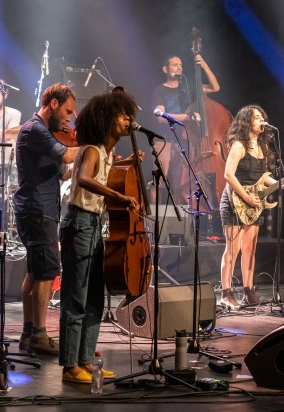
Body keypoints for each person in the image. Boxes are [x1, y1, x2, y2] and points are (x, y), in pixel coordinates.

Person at [59, 90, 140, 383]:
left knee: (94, 299)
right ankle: (70, 366)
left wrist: (128, 163)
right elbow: (83, 178)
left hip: (93, 225)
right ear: (107, 119)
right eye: (121, 115)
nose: (127, 120)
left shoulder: (107, 154)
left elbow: (105, 176)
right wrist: (119, 194)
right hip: (80, 223)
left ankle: (85, 361)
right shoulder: (91, 149)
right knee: (76, 297)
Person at [13, 83, 78, 356]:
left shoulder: (44, 133)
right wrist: (93, 145)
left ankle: (29, 334)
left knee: (35, 273)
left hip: (38, 209)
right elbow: (65, 154)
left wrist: (88, 162)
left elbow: (63, 172)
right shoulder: (34, 129)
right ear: (53, 104)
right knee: (48, 274)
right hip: (37, 210)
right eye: (67, 111)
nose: (69, 119)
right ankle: (40, 336)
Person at [218, 105, 284, 309]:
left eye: (262, 117)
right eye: (257, 117)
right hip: (235, 200)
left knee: (250, 250)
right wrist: (246, 198)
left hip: (253, 203)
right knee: (233, 249)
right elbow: (228, 175)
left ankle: (248, 291)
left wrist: (280, 182)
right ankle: (226, 293)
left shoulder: (262, 147)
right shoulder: (239, 146)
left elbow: (263, 178)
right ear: (247, 122)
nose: (261, 120)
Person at [151, 53, 220, 203]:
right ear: (165, 69)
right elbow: (160, 117)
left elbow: (215, 87)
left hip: (183, 141)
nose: (179, 67)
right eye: (175, 65)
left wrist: (204, 64)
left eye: (181, 65)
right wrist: (186, 117)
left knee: (179, 184)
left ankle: (179, 222)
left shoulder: (187, 88)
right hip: (164, 142)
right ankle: (152, 219)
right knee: (158, 182)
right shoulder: (159, 90)